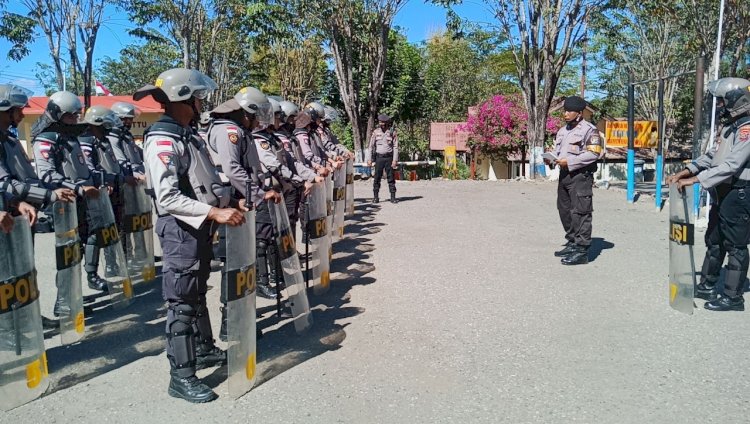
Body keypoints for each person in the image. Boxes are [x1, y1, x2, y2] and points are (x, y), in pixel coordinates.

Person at [134, 68, 246, 403]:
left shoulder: (187, 134)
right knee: (181, 303)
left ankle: (204, 349)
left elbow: (203, 182)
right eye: (197, 98)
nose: (201, 103)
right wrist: (214, 212)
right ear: (183, 99)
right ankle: (181, 377)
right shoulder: (163, 139)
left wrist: (229, 199)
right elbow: (167, 197)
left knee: (196, 294)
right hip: (179, 230)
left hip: (197, 230)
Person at [667, 77, 750, 311]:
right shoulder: (731, 126)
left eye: (724, 101)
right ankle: (707, 285)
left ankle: (733, 297)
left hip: (739, 193)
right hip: (722, 191)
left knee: (736, 245)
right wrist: (685, 171)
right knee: (714, 240)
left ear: (737, 100)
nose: (721, 106)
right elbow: (712, 156)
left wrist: (696, 180)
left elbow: (732, 165)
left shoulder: (747, 129)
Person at [207, 92, 282, 340]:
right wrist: (258, 195)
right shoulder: (229, 130)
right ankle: (231, 322)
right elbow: (232, 169)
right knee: (233, 262)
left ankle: (237, 318)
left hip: (238, 198)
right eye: (255, 115)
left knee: (240, 262)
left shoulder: (237, 130)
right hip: (231, 198)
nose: (258, 121)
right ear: (245, 112)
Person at [32, 91, 106, 296]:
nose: (76, 119)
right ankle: (64, 299)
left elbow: (82, 168)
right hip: (64, 203)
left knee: (91, 239)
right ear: (58, 114)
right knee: (68, 252)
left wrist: (101, 180)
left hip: (83, 200)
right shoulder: (45, 139)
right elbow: (46, 174)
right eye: (71, 115)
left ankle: (88, 279)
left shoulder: (71, 138)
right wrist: (78, 188)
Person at [547, 95, 603, 265]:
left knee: (580, 211)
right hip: (564, 175)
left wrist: (569, 162)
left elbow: (594, 153)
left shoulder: (589, 130)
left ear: (579, 113)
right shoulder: (563, 131)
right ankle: (572, 242)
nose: (565, 114)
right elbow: (558, 152)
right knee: (564, 209)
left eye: (569, 111)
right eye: (565, 110)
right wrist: (551, 159)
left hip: (580, 176)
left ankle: (582, 250)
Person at [366, 114, 399, 204]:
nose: (382, 124)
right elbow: (370, 146)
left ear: (387, 123)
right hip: (379, 158)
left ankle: (393, 197)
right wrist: (369, 159)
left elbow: (395, 147)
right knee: (377, 178)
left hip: (389, 158)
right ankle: (376, 197)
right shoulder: (376, 132)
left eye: (384, 122)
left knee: (391, 178)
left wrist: (395, 160)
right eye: (381, 122)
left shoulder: (392, 133)